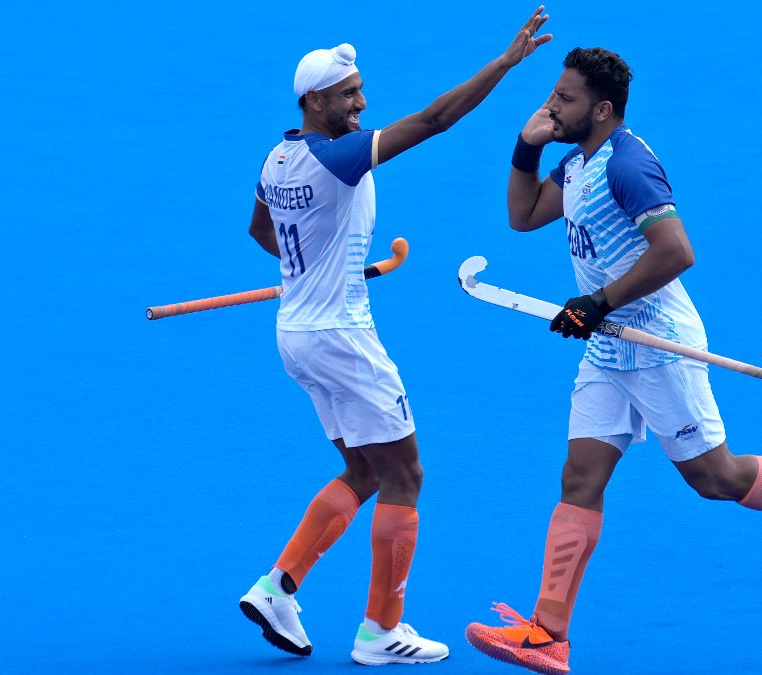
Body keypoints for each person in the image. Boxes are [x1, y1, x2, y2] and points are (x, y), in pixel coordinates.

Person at [465, 47, 762, 674]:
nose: (553, 106)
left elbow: (677, 251)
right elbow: (523, 216)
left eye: (566, 98)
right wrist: (525, 149)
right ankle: (548, 634)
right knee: (580, 478)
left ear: (603, 109)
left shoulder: (629, 165)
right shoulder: (577, 163)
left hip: (658, 344)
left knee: (715, 480)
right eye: (554, 94)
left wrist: (597, 301)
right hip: (608, 343)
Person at [237, 9, 552, 666]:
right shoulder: (340, 157)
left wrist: (319, 266)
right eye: (351, 93)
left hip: (295, 333)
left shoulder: (276, 155)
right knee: (405, 471)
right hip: (343, 339)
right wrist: (505, 62)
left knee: (363, 469)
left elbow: (262, 233)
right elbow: (436, 120)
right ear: (316, 100)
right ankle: (382, 628)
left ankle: (278, 586)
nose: (363, 102)